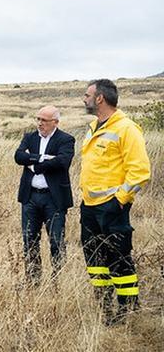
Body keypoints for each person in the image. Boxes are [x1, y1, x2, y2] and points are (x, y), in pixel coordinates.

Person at [80, 79, 150, 324]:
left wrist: (119, 200)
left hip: (112, 206)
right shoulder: (93, 125)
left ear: (100, 98)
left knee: (118, 259)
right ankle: (104, 306)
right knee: (95, 260)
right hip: (89, 206)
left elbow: (140, 172)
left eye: (87, 95)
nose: (84, 98)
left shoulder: (126, 128)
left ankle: (128, 309)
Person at [14, 105, 75, 285]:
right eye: (38, 119)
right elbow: (18, 157)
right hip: (30, 197)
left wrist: (34, 162)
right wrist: (44, 158)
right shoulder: (29, 137)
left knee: (56, 241)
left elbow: (62, 161)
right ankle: (33, 281)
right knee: (29, 240)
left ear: (55, 122)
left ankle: (58, 281)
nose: (40, 123)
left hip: (54, 199)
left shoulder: (66, 139)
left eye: (44, 120)